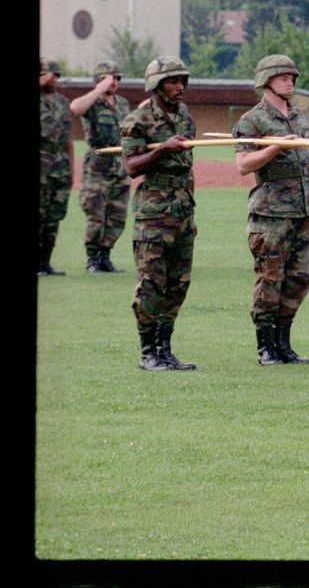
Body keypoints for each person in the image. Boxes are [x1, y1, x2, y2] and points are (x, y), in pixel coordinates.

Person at [233, 54, 309, 365]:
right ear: (267, 80)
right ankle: (265, 346)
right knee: (270, 279)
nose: (290, 81)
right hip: (270, 215)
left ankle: (284, 342)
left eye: (292, 76)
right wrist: (275, 147)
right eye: (283, 76)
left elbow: (304, 169)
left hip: (300, 213)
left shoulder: (299, 117)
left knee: (299, 278)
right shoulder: (252, 120)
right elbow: (243, 165)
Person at [121, 56, 199, 370]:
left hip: (182, 211)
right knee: (153, 283)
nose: (179, 86)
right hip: (153, 215)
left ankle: (165, 349)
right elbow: (131, 167)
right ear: (156, 85)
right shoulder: (137, 120)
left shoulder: (186, 117)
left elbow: (189, 169)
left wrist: (193, 214)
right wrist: (162, 149)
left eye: (182, 80)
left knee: (178, 283)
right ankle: (147, 353)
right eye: (171, 81)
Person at [70, 59, 131, 273]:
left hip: (120, 166)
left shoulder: (122, 103)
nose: (114, 82)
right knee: (96, 214)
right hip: (98, 167)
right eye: (109, 78)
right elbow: (75, 109)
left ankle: (106, 256)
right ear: (98, 80)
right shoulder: (92, 102)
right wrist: (99, 90)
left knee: (117, 216)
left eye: (117, 78)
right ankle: (92, 259)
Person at [39, 58, 74, 276]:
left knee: (54, 217)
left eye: (57, 74)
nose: (54, 77)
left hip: (59, 166)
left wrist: (71, 168)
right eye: (48, 73)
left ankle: (45, 263)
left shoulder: (62, 102)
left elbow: (68, 138)